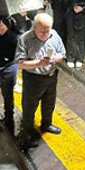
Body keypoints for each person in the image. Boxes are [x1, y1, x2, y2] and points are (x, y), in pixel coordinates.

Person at [15, 13, 65, 149]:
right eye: (42, 31)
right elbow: (20, 63)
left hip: (51, 76)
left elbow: (62, 52)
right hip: (33, 78)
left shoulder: (54, 34)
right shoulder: (25, 39)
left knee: (49, 102)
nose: (46, 33)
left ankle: (46, 124)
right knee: (29, 107)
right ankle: (27, 133)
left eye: (48, 30)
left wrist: (56, 59)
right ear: (34, 27)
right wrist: (39, 63)